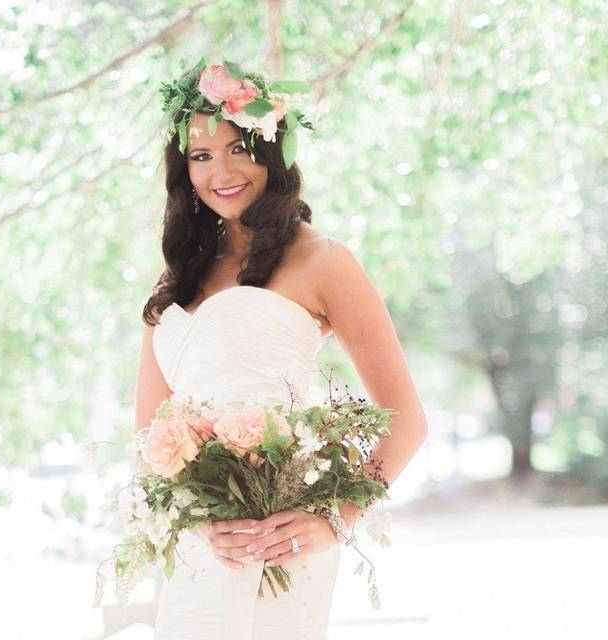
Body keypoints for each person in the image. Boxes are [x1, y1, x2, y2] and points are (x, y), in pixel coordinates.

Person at [134, 59, 429, 639]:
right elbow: (147, 439)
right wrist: (196, 524)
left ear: (272, 148)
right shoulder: (175, 280)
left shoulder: (322, 260)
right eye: (201, 156)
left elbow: (408, 420)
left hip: (284, 546)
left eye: (240, 147)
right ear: (183, 170)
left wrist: (333, 519)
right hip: (201, 548)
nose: (222, 171)